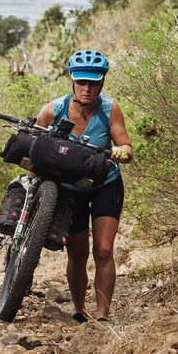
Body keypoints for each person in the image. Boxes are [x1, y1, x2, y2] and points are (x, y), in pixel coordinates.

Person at [35, 49, 132, 323]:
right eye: (81, 82)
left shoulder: (109, 109)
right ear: (72, 80)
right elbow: (35, 143)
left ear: (102, 82)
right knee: (76, 251)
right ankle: (79, 311)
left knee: (103, 250)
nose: (87, 88)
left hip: (105, 183)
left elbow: (126, 145)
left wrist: (121, 152)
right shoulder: (54, 110)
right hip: (70, 189)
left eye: (93, 82)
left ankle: (102, 316)